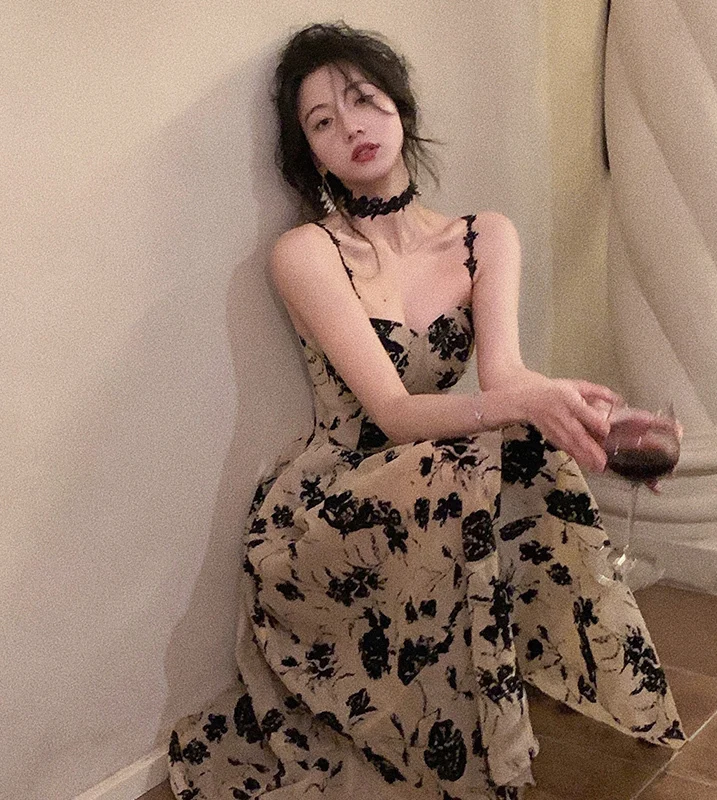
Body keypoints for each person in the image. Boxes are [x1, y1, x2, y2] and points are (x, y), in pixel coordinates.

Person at [168, 22, 684, 800]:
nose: (351, 127)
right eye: (322, 122)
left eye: (363, 99)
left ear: (399, 106)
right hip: (334, 496)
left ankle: (514, 699)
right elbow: (393, 412)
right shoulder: (306, 253)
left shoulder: (484, 237)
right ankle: (467, 751)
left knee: (521, 451)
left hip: (440, 471)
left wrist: (589, 420)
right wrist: (529, 405)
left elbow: (506, 376)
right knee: (467, 463)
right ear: (312, 154)